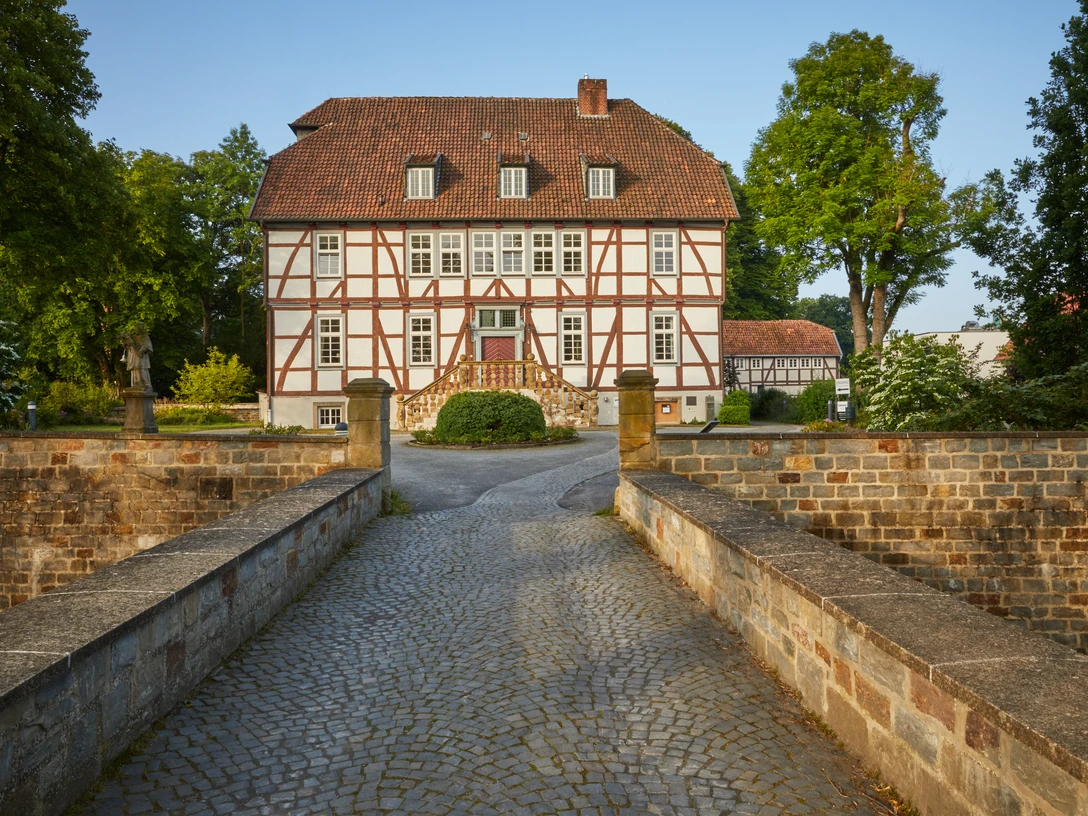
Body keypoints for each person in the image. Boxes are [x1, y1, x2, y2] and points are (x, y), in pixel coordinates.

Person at [120, 323, 153, 390]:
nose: (135, 330)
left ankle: (144, 384)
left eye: (137, 328)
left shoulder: (145, 337)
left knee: (140, 368)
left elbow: (147, 346)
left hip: (141, 356)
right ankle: (136, 384)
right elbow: (128, 346)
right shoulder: (134, 337)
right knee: (135, 369)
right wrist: (126, 342)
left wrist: (141, 350)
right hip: (133, 356)